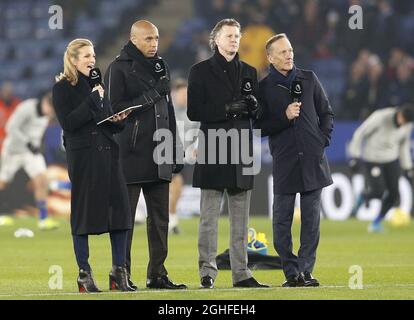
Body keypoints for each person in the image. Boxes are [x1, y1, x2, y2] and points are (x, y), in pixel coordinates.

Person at [105, 20, 187, 290]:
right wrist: (154, 93)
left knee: (160, 219)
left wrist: (174, 145)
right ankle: (121, 274)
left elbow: (169, 110)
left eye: (156, 38)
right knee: (125, 219)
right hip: (131, 151)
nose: (154, 44)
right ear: (134, 39)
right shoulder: (118, 68)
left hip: (160, 151)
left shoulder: (161, 65)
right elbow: (115, 110)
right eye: (148, 39)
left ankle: (157, 274)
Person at [187, 18, 268, 289]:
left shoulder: (249, 71)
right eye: (229, 35)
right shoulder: (199, 71)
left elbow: (256, 115)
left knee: (240, 221)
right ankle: (207, 273)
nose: (234, 39)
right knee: (209, 218)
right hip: (214, 148)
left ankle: (241, 274)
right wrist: (228, 109)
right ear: (216, 40)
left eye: (237, 35)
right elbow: (194, 111)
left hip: (242, 150)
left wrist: (255, 108)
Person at [52, 38, 133, 292]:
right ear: (73, 60)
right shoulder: (62, 88)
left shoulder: (97, 85)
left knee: (120, 213)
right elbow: (70, 123)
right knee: (84, 214)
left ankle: (119, 272)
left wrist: (118, 120)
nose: (92, 61)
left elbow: (103, 120)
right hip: (84, 158)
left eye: (93, 56)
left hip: (109, 155)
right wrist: (92, 99)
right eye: (86, 56)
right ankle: (84, 275)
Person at [256, 34, 334, 287]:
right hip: (285, 161)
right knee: (281, 223)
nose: (289, 55)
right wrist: (284, 116)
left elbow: (326, 112)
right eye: (282, 52)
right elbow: (260, 126)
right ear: (270, 57)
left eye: (290, 50)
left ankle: (306, 271)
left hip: (313, 159)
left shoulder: (309, 78)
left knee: (311, 222)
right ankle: (291, 272)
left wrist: (322, 141)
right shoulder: (264, 88)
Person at [348, 104, 414, 232]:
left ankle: (376, 223)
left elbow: (403, 145)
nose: (403, 123)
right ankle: (363, 196)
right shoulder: (381, 117)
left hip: (392, 159)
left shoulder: (407, 124)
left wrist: (408, 167)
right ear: (399, 113)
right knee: (377, 191)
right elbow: (360, 133)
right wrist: (355, 156)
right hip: (373, 159)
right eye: (403, 119)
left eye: (407, 122)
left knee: (394, 193)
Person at [0, 91, 59, 230]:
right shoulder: (27, 107)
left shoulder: (47, 115)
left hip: (31, 153)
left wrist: (36, 146)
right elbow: (10, 127)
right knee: (3, 182)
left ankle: (43, 219)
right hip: (13, 151)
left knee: (42, 179)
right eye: (50, 108)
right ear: (45, 102)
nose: (51, 113)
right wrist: (27, 143)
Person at [169, 79, 199, 234]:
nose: (184, 97)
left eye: (186, 94)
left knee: (177, 190)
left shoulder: (193, 112)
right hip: (165, 154)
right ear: (175, 94)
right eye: (181, 94)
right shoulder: (168, 109)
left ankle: (170, 220)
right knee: (176, 185)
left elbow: (199, 132)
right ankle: (171, 221)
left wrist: (196, 148)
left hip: (184, 158)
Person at [0, 82, 21, 152]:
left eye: (9, 92)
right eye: (5, 91)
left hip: (13, 143)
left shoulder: (17, 104)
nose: (7, 94)